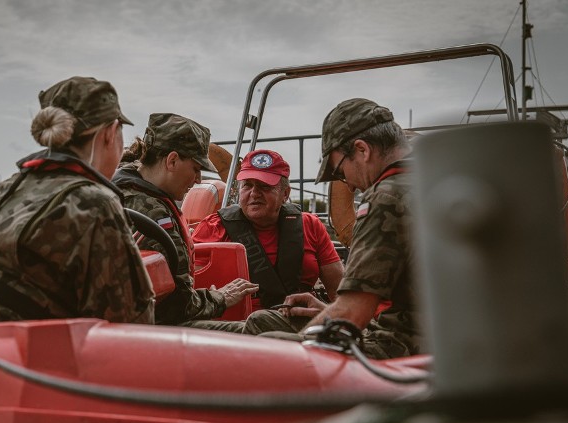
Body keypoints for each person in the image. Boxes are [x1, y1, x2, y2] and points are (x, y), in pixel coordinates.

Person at [0, 76, 154, 325]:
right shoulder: (95, 203)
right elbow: (130, 322)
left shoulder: (8, 188)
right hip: (2, 354)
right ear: (110, 133)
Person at [282, 97, 421, 359]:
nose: (348, 185)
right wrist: (327, 309)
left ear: (362, 150)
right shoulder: (434, 180)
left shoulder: (386, 196)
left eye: (339, 172)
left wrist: (295, 354)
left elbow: (352, 312)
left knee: (271, 344)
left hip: (402, 348)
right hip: (445, 341)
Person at [113, 113, 258, 328]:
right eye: (196, 169)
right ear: (172, 161)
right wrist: (220, 298)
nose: (198, 179)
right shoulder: (153, 215)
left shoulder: (120, 190)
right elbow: (176, 307)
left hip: (137, 325)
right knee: (257, 329)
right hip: (156, 331)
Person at [192, 149, 343, 333]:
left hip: (299, 325)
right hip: (238, 330)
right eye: (247, 185)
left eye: (265, 186)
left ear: (285, 194)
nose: (254, 193)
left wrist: (328, 315)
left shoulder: (310, 226)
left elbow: (339, 292)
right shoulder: (213, 227)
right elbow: (191, 290)